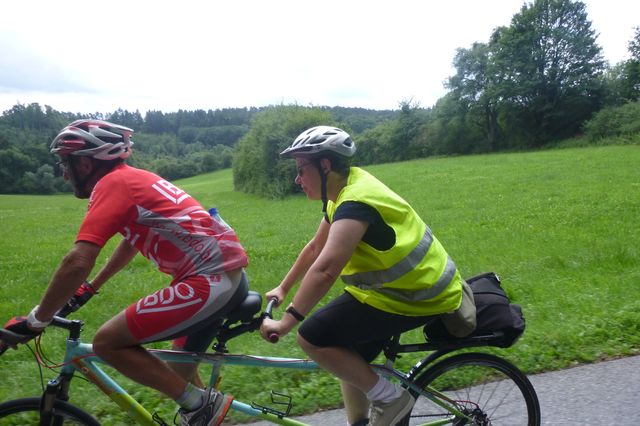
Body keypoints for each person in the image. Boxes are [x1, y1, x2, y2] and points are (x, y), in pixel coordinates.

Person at [0, 119, 248, 426]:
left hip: (211, 281)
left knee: (107, 342)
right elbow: (131, 241)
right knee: (174, 374)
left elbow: (77, 261)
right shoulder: (131, 179)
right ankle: (202, 410)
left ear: (87, 163)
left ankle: (202, 406)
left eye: (66, 163)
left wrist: (36, 320)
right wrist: (92, 287)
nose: (64, 174)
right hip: (221, 277)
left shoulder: (112, 184)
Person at [260, 126, 477, 426]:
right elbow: (315, 247)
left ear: (325, 166)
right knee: (346, 355)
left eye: (301, 170)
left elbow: (325, 270)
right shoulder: (343, 191)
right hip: (399, 290)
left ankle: (391, 400)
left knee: (312, 337)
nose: (297, 179)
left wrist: (286, 322)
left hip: (418, 294)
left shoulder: (356, 202)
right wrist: (283, 288)